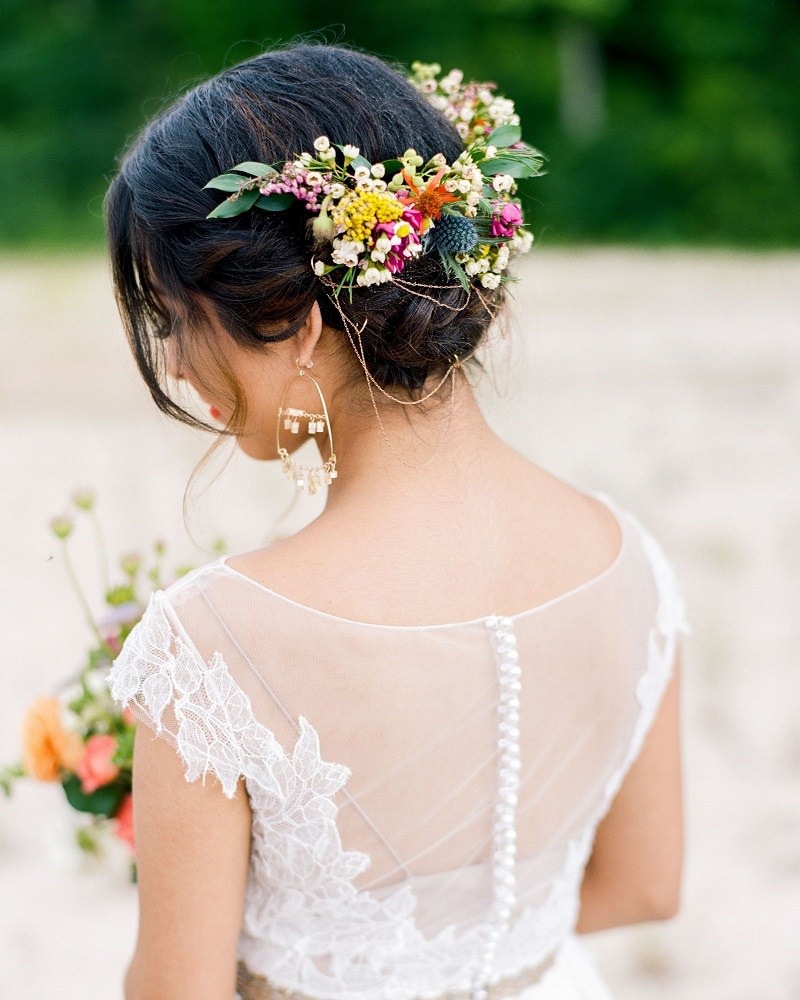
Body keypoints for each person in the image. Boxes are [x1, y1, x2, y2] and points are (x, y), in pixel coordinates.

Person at [105, 44, 686, 1000]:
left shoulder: (212, 645)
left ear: (294, 320)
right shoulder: (633, 562)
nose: (173, 363)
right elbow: (648, 885)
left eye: (174, 316)